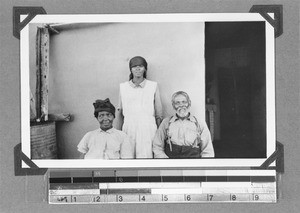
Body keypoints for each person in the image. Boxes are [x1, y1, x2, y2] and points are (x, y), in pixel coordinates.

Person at [116, 56, 163, 158]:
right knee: (128, 156)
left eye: (141, 66)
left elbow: (159, 113)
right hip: (129, 128)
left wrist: (159, 136)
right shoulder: (123, 87)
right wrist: (117, 134)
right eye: (134, 66)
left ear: (145, 68)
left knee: (146, 157)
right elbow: (120, 113)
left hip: (148, 128)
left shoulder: (153, 86)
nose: (137, 69)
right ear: (131, 69)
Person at [153, 91, 214, 158]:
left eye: (184, 102)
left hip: (193, 163)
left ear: (189, 103)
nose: (181, 105)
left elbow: (208, 150)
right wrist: (166, 162)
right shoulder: (166, 122)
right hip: (172, 163)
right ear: (173, 106)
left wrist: (201, 165)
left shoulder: (199, 123)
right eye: (177, 103)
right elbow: (157, 146)